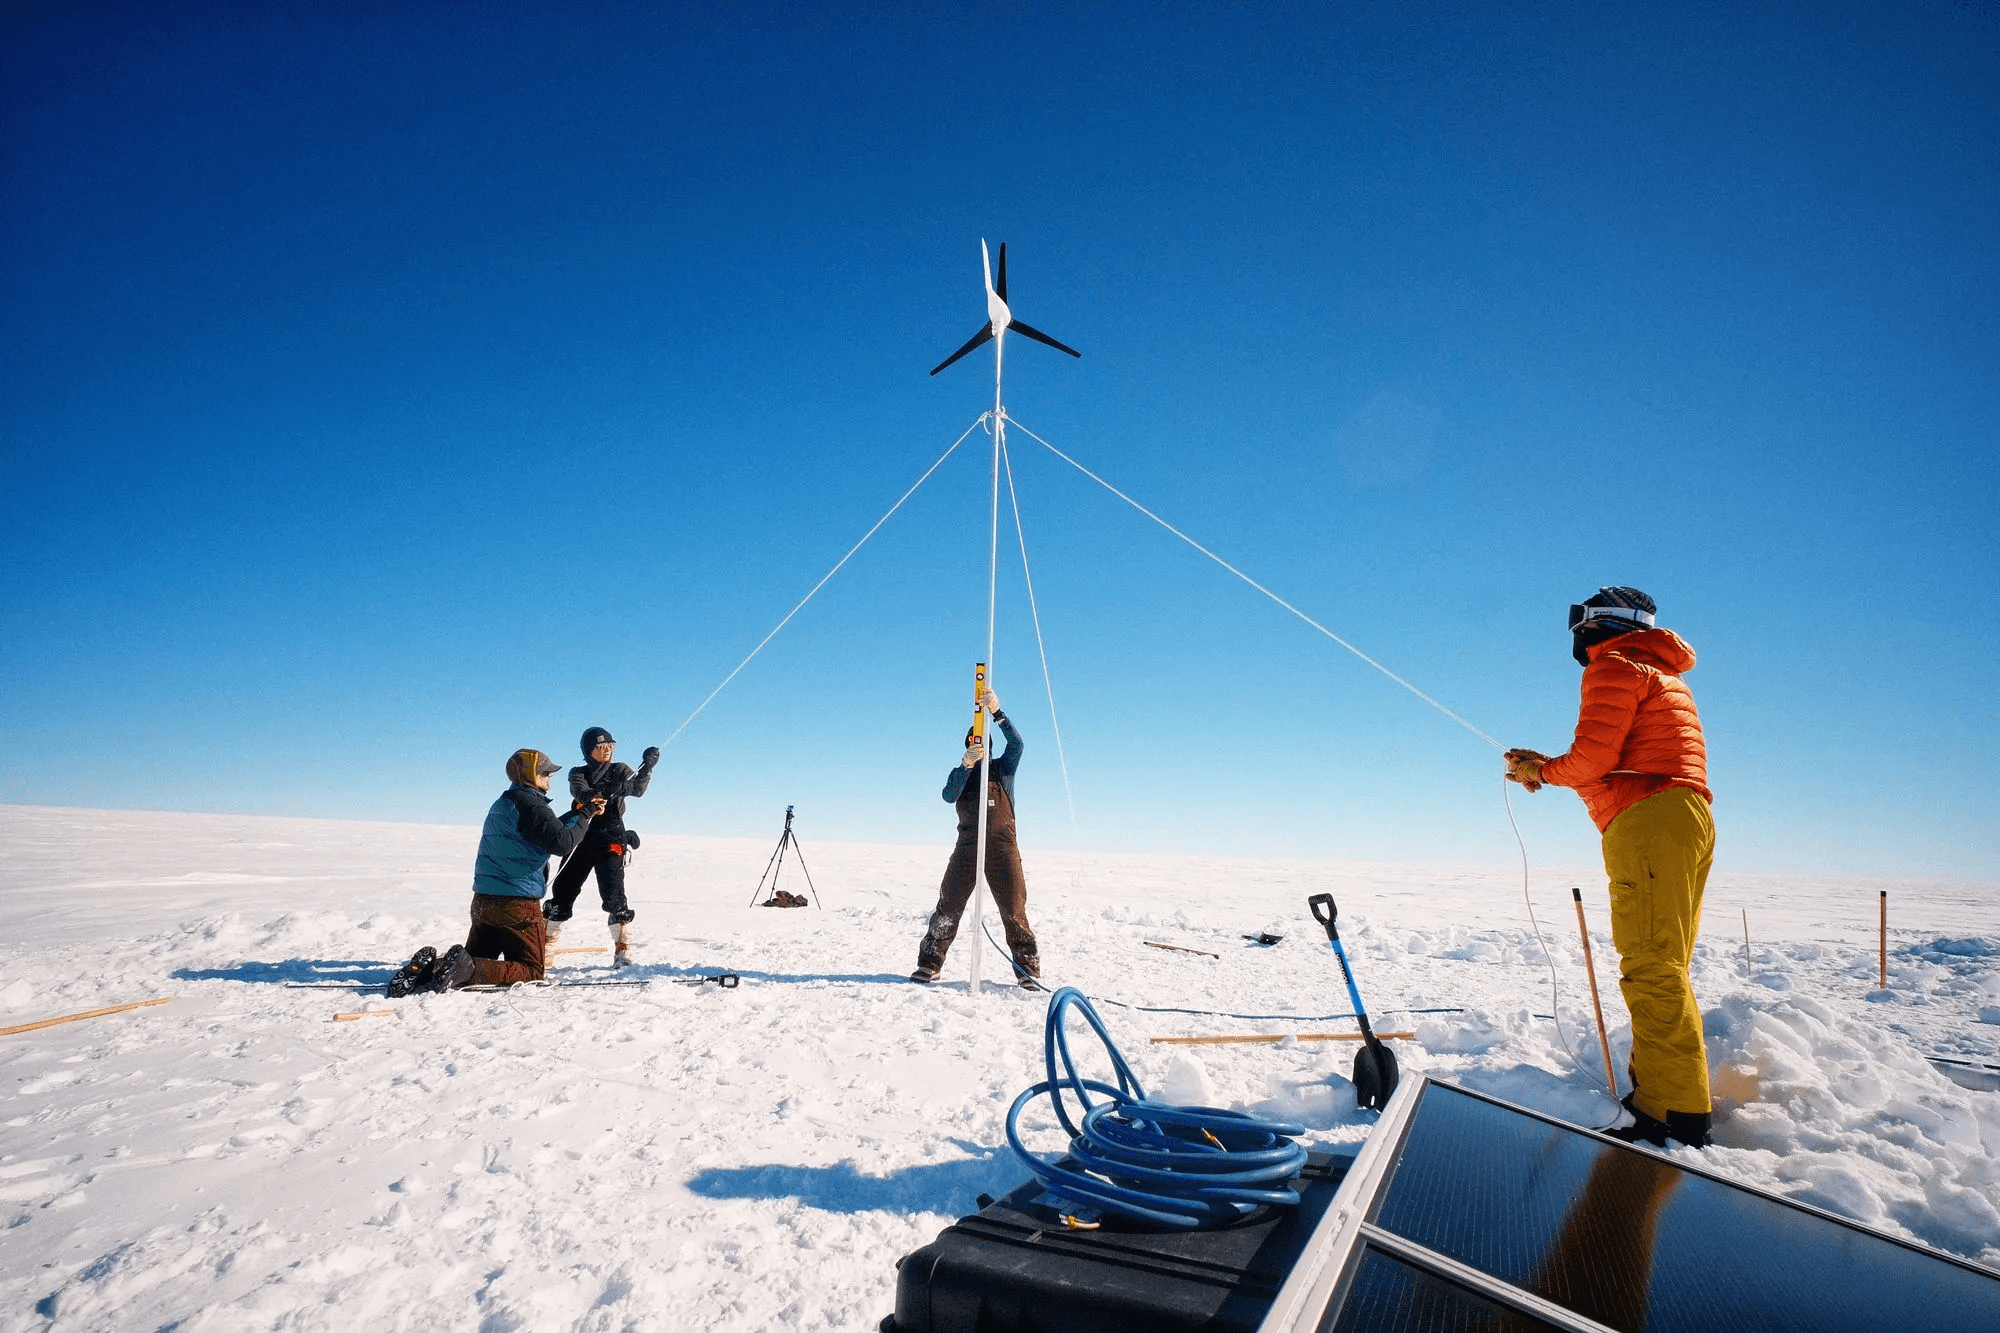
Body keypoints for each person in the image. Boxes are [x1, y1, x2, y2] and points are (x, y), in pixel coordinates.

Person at [1505, 586, 1716, 1148]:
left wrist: (1544, 773)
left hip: (1649, 821)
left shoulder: (1614, 665)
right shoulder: (1660, 671)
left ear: (1594, 624)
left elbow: (1595, 759)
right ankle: (1666, 1097)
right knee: (1665, 962)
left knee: (1651, 965)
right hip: (1684, 818)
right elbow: (1617, 761)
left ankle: (1672, 1115)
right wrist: (1545, 769)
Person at [387, 748, 604, 995]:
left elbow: (547, 829)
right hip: (516, 906)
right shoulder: (532, 805)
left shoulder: (507, 802)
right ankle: (460, 970)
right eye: (544, 772)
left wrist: (580, 812)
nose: (549, 777)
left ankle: (428, 969)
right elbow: (563, 842)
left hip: (484, 903)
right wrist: (586, 815)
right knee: (531, 971)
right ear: (529, 775)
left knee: (473, 960)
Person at [911, 687, 1040, 987]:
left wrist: (998, 713)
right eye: (972, 741)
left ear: (990, 744)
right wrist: (966, 764)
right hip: (967, 849)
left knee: (1014, 909)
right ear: (968, 744)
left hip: (1003, 850)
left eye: (982, 741)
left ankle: (1027, 971)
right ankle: (930, 964)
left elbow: (1018, 745)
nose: (977, 743)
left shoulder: (1003, 770)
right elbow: (947, 796)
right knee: (948, 906)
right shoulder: (962, 774)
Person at [544, 726, 659, 967]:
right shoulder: (578, 773)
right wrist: (603, 792)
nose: (607, 751)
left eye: (610, 746)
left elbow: (636, 789)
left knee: (615, 896)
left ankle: (623, 950)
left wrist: (647, 767)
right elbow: (582, 793)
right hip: (580, 839)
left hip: (611, 841)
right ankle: (545, 948)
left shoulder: (620, 769)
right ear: (588, 751)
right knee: (564, 891)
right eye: (600, 747)